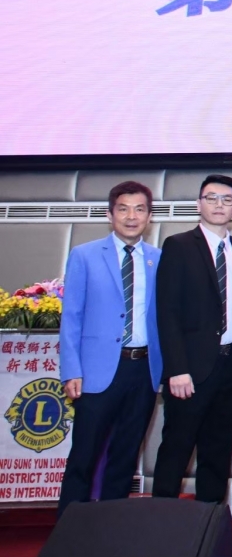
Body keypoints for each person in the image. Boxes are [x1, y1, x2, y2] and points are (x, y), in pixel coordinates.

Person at [58, 181, 162, 515]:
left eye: (140, 209)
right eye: (123, 209)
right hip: (96, 371)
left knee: (125, 456)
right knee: (84, 455)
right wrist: (71, 370)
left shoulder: (159, 259)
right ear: (110, 214)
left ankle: (111, 529)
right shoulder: (84, 255)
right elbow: (71, 317)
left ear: (149, 216)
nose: (132, 217)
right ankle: (70, 531)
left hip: (143, 370)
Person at [154, 174, 232, 503]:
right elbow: (167, 312)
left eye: (227, 199)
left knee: (218, 453)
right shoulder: (179, 245)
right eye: (211, 198)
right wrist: (176, 369)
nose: (219, 205)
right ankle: (160, 525)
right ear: (199, 204)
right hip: (191, 369)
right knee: (177, 449)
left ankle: (210, 526)